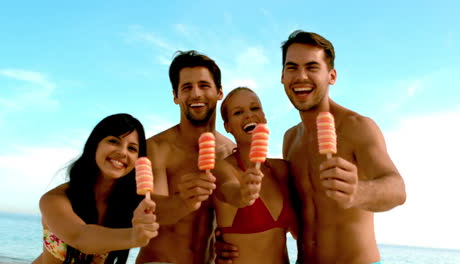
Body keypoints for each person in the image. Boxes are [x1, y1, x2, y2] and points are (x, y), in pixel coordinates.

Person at [217, 31, 407, 264]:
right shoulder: (291, 139)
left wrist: (358, 192)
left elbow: (397, 189)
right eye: (292, 67)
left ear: (332, 76)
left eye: (312, 67)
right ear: (283, 76)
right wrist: (227, 240)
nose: (301, 76)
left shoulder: (356, 127)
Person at [136, 50, 236, 264]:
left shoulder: (231, 152)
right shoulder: (157, 148)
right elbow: (152, 212)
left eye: (204, 85)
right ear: (175, 96)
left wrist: (233, 247)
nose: (196, 94)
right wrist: (184, 202)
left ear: (219, 92)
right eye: (187, 87)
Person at [33, 113, 159, 264]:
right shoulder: (55, 199)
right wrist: (133, 236)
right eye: (113, 141)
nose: (123, 152)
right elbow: (80, 237)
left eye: (132, 148)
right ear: (94, 145)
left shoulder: (133, 206)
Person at [212, 87, 297, 264]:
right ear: (228, 127)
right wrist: (243, 194)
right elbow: (230, 192)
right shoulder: (221, 168)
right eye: (238, 112)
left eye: (254, 108)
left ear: (264, 117)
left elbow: (300, 231)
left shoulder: (282, 169)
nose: (249, 115)